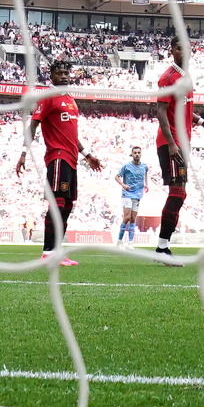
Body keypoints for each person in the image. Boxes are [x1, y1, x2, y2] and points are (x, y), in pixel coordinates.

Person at [14, 59, 100, 264]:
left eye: (66, 72)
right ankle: (48, 252)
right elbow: (33, 125)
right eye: (59, 73)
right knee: (57, 204)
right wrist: (24, 153)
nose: (64, 76)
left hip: (72, 159)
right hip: (58, 156)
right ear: (51, 76)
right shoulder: (48, 97)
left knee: (68, 205)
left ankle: (57, 251)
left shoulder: (70, 99)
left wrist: (87, 155)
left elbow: (72, 134)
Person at [156, 38, 204, 263]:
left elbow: (183, 109)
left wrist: (202, 122)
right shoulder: (168, 78)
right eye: (180, 47)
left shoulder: (186, 77)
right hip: (171, 141)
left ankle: (163, 247)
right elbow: (161, 112)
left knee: (180, 194)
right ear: (172, 50)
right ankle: (162, 248)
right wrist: (172, 143)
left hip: (183, 142)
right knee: (178, 193)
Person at [115, 145, 148, 248]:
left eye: (138, 153)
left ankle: (130, 243)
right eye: (135, 153)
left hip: (137, 194)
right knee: (127, 217)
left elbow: (146, 173)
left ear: (141, 154)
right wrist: (123, 185)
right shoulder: (126, 166)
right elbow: (116, 176)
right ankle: (119, 241)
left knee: (133, 218)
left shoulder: (144, 166)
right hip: (127, 194)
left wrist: (146, 184)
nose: (137, 154)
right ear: (132, 154)